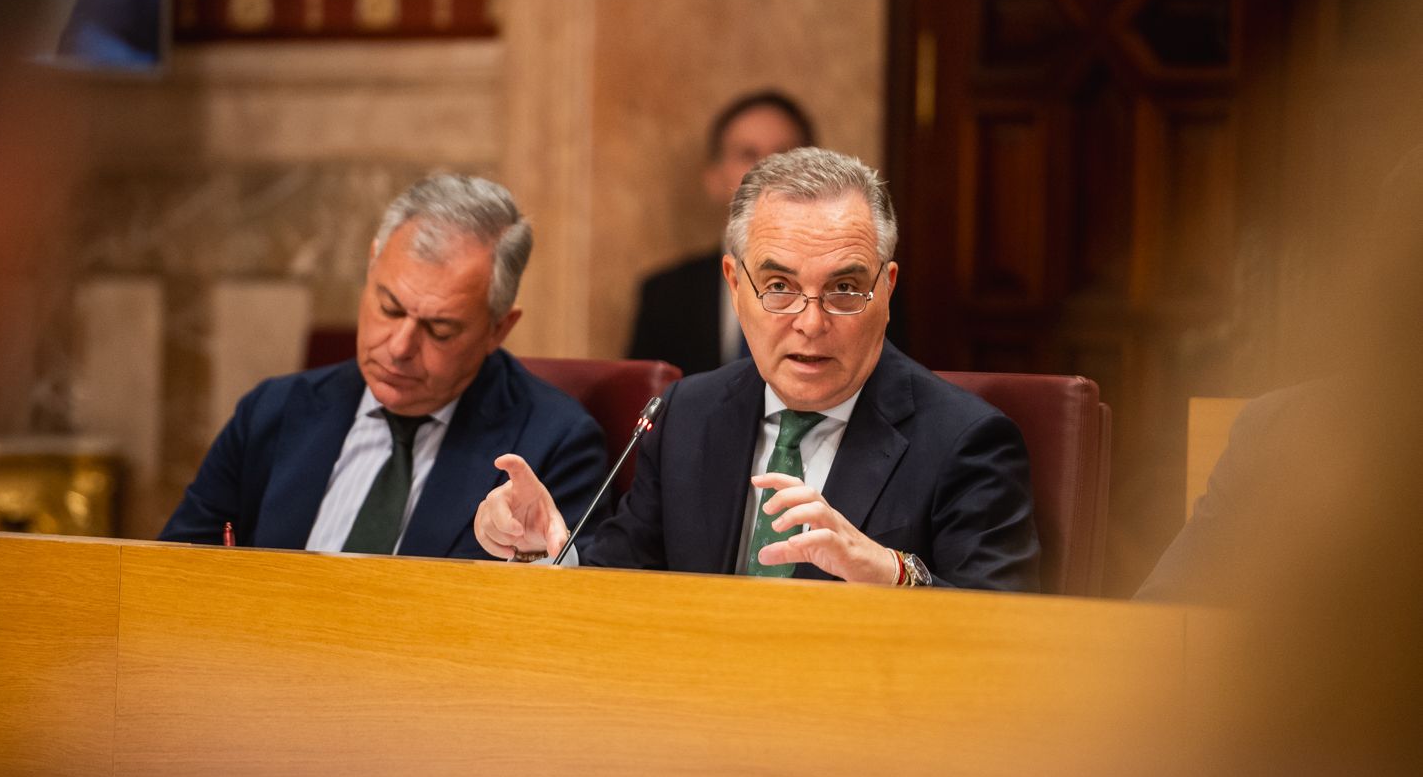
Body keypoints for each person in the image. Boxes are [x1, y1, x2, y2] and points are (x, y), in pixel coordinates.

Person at [478, 148, 1038, 589]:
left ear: (886, 289)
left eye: (844, 290)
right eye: (779, 287)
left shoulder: (965, 442)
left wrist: (891, 571)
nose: (811, 323)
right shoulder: (685, 416)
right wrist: (547, 551)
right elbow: (627, 578)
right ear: (734, 284)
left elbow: (1005, 634)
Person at [160, 174, 607, 558]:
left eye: (440, 329)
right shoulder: (272, 412)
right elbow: (170, 575)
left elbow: (550, 619)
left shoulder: (554, 445)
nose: (399, 347)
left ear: (499, 329)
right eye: (390, 307)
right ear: (371, 267)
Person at [626, 90, 816, 375]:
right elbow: (644, 403)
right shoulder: (666, 295)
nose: (767, 169)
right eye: (748, 155)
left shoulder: (855, 286)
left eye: (785, 154)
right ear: (714, 178)